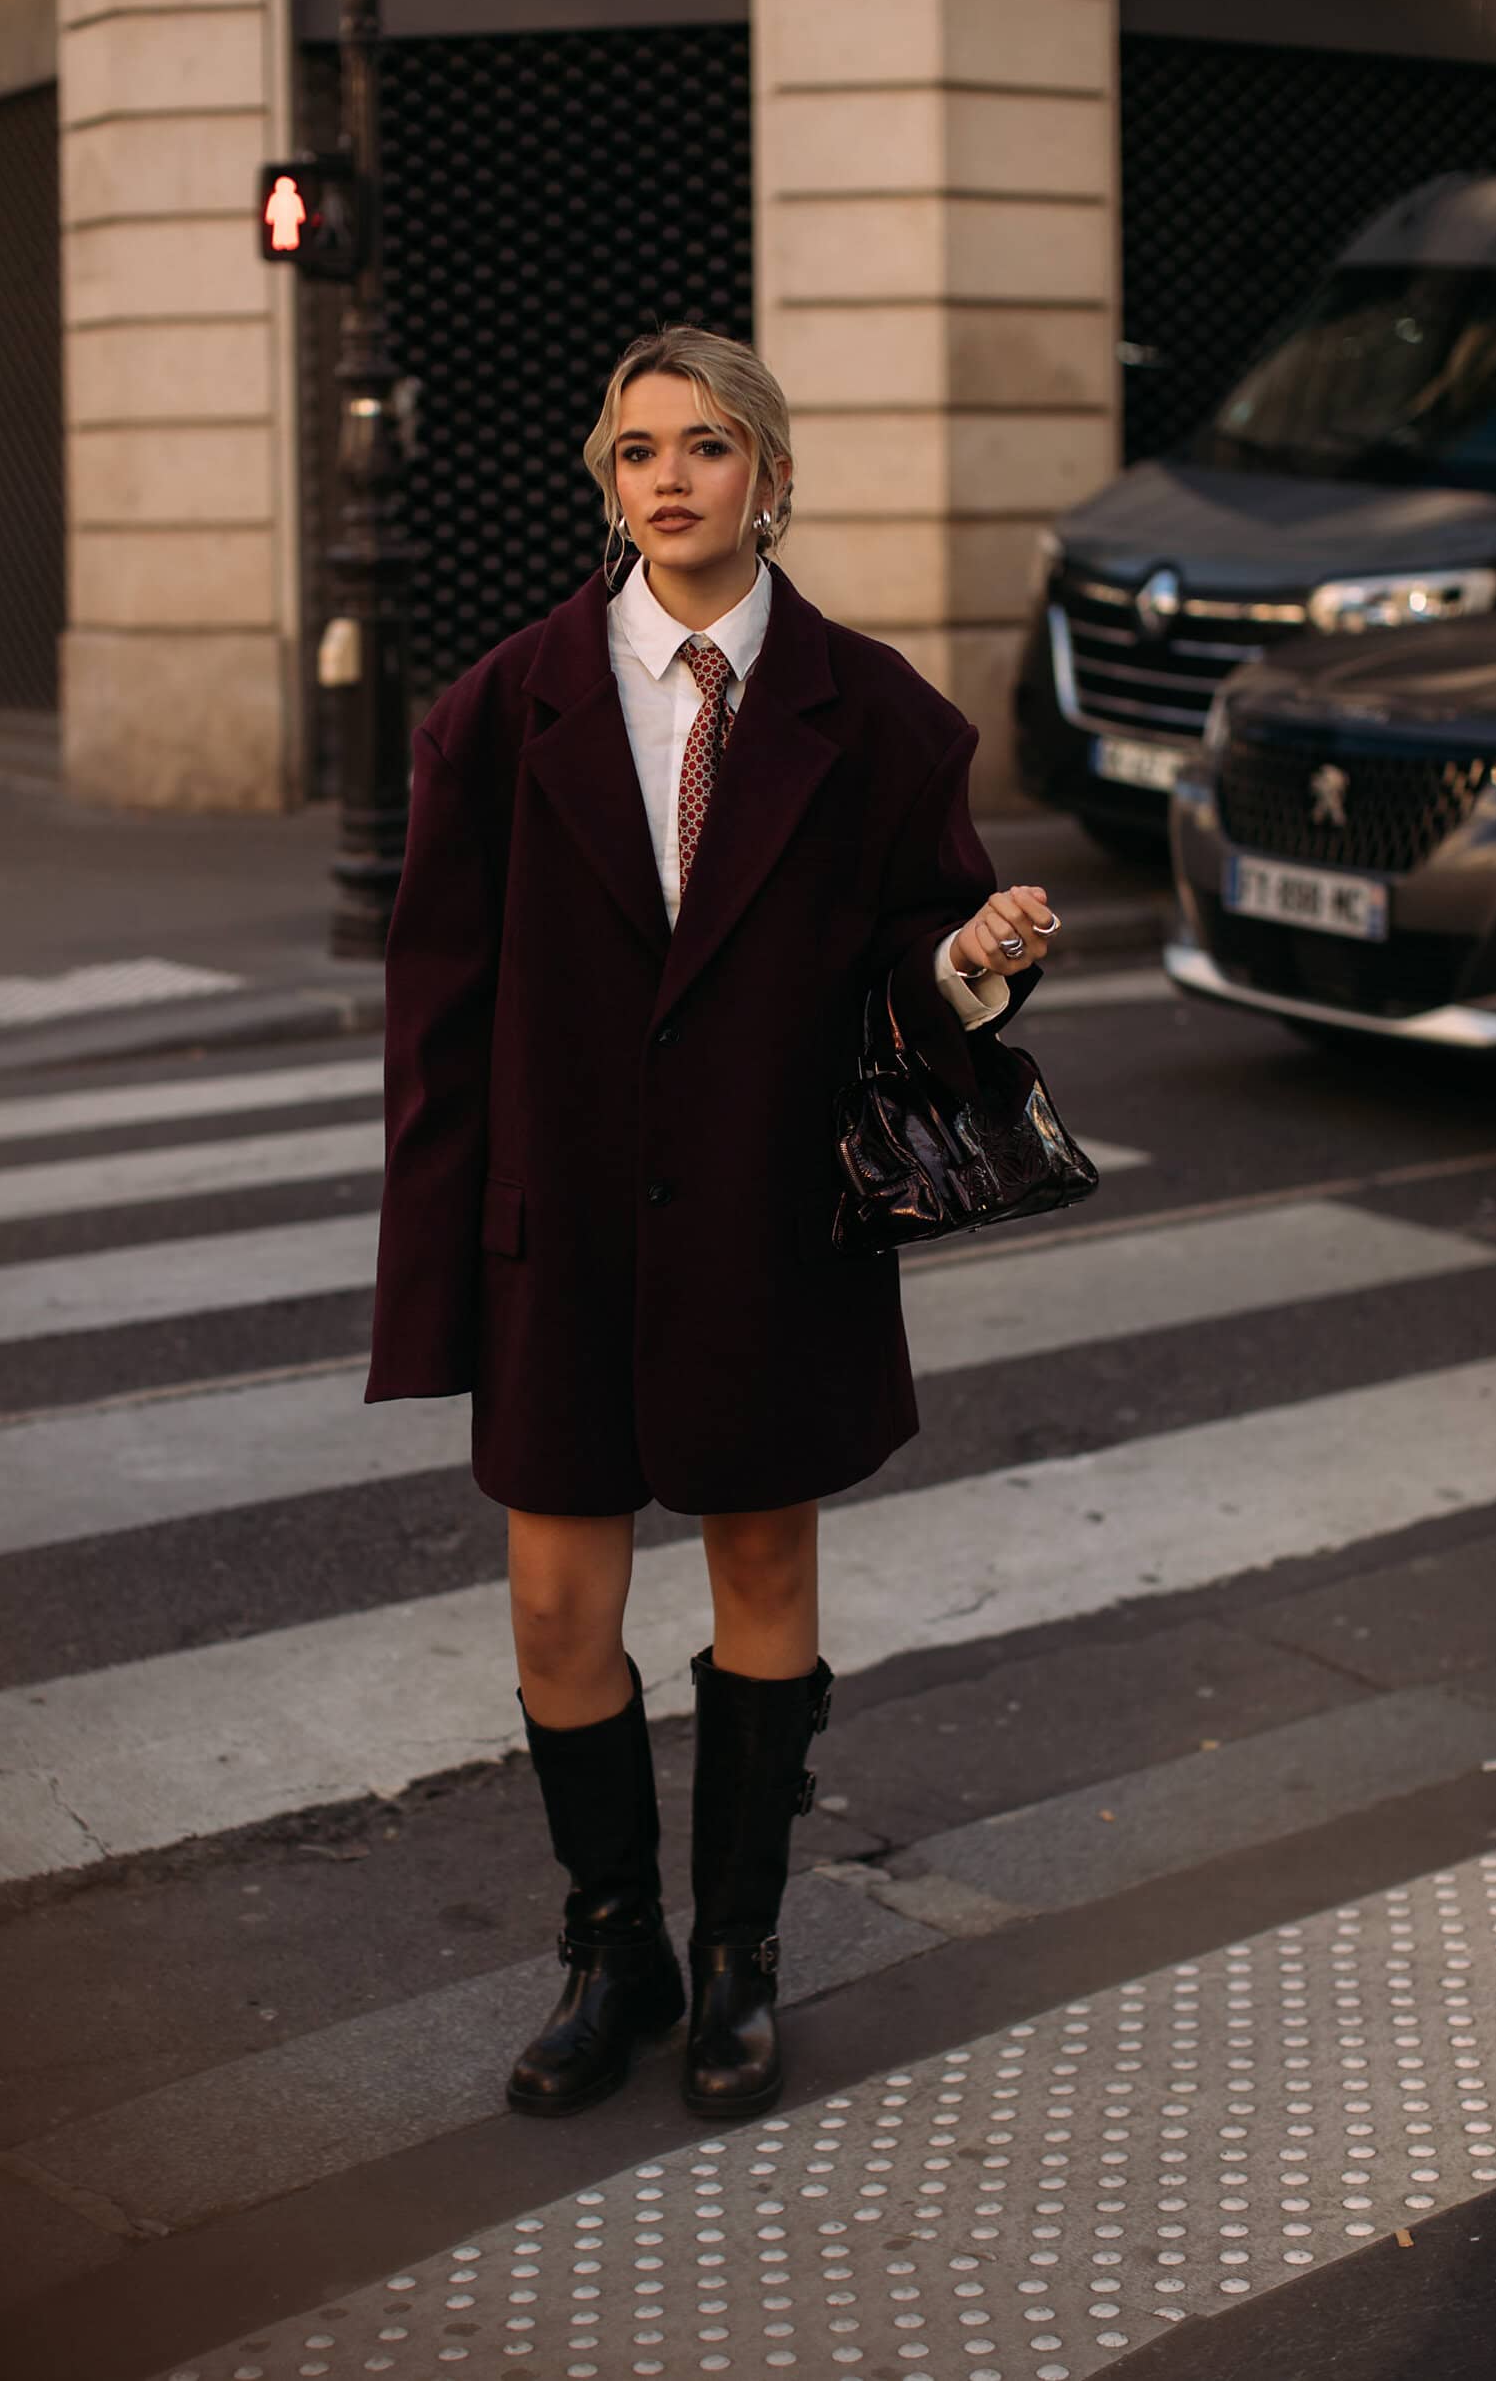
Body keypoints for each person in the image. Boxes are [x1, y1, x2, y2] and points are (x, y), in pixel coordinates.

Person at [366, 324, 1058, 2122]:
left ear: (768, 473)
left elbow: (914, 946)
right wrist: (439, 1276)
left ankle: (742, 1953)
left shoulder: (876, 712)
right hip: (562, 1230)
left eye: (706, 447)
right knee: (551, 1608)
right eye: (636, 451)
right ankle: (618, 1946)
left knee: (761, 1575)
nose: (669, 478)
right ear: (608, 481)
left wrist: (966, 967)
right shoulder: (502, 708)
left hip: (770, 1222)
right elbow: (436, 1016)